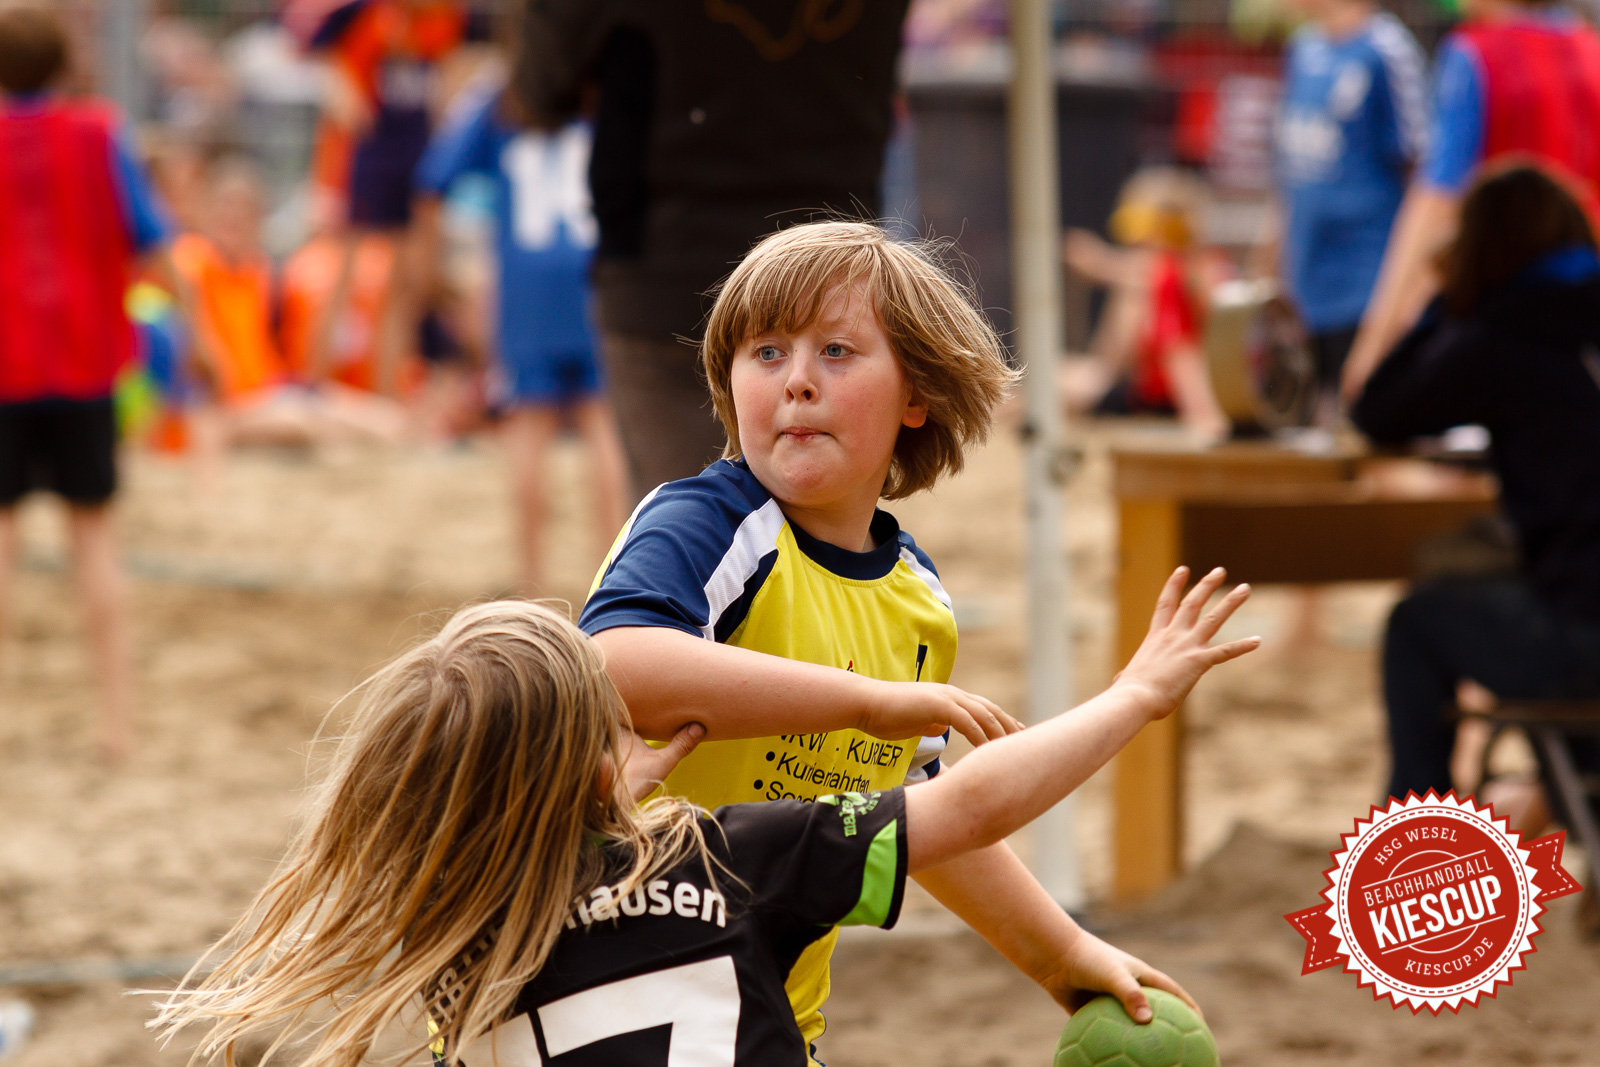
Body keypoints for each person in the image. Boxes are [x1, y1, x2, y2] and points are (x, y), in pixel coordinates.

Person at [153, 567, 1259, 1066]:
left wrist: (594, 792)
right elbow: (963, 803)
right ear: (590, 772)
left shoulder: (451, 926)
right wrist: (1135, 695)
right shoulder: (731, 855)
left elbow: (566, 888)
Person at [580, 221, 1173, 1061]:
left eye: (836, 351)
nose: (797, 383)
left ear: (916, 397)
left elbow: (917, 818)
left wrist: (1061, 954)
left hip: (764, 1021)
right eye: (767, 353)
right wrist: (866, 699)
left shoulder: (918, 600)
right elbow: (609, 664)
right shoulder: (708, 524)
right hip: (605, 1001)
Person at [517, 1, 915, 499]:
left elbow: (539, 90)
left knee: (686, 537)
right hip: (831, 274)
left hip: (670, 274)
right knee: (824, 532)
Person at [1350, 163, 1600, 817]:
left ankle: (1418, 825)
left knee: (1418, 619)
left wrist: (1445, 298)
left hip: (1583, 638)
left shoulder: (1501, 336)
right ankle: (1575, 803)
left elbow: (1377, 409)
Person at [0, 7, 184, 760]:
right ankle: (118, 725)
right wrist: (195, 343)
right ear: (62, 64)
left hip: (6, 365)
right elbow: (153, 241)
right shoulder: (101, 133)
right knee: (96, 538)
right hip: (85, 363)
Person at [415, 71, 628, 592]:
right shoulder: (599, 92)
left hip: (526, 285)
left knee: (528, 425)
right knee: (602, 425)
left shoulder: (500, 98)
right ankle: (614, 575)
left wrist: (431, 265)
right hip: (593, 275)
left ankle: (531, 580)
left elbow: (431, 182)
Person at [1341, 0, 1600, 401]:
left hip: (1506, 313)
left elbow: (1435, 203)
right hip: (1582, 309)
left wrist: (1375, 342)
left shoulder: (1475, 54)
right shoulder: (1590, 50)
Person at [303, 0, 472, 395]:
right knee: (342, 274)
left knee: (405, 286)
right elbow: (319, 49)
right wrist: (346, 97)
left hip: (416, 157)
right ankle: (315, 383)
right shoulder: (362, 13)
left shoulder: (446, 16)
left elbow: (450, 72)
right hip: (368, 156)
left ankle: (389, 391)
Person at [1273, 0, 1427, 415]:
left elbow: (1420, 174)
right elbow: (1291, 173)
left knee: (1361, 418)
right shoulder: (1302, 48)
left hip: (1364, 280)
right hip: (1305, 283)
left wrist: (1412, 285)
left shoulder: (1386, 51)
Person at [1059, 167, 1228, 439]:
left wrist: (1101, 264)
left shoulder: (1186, 275)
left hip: (1162, 398)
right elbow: (1110, 359)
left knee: (1064, 383)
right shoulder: (1156, 280)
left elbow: (1175, 355)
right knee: (1060, 378)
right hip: (1148, 390)